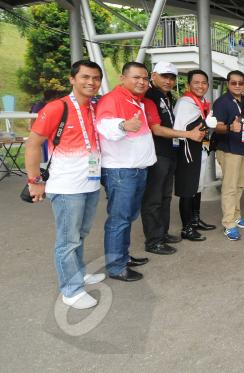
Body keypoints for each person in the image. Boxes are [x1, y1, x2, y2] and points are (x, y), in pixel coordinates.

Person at [24, 60, 105, 309]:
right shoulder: (57, 108)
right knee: (67, 240)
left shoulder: (93, 108)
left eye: (95, 78)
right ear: (72, 79)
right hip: (66, 187)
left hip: (90, 183)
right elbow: (33, 144)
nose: (91, 82)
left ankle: (78, 273)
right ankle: (71, 290)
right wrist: (34, 181)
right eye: (85, 77)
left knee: (80, 234)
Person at [96, 61, 159, 282]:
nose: (142, 82)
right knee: (119, 219)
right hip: (121, 171)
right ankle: (116, 267)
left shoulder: (136, 101)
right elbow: (103, 125)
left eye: (144, 78)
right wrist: (123, 126)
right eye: (136, 77)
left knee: (128, 217)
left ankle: (123, 256)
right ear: (123, 78)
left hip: (137, 169)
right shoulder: (112, 99)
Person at [140, 62, 204, 255]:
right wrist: (187, 134)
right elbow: (156, 128)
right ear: (154, 76)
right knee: (153, 199)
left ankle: (163, 234)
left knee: (165, 197)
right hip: (156, 154)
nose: (168, 81)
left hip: (169, 153)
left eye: (172, 77)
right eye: (164, 76)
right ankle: (153, 241)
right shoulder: (150, 97)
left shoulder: (166, 97)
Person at [173, 70, 215, 242]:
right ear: (189, 85)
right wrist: (205, 123)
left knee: (197, 187)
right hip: (187, 149)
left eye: (204, 82)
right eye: (196, 82)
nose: (200, 85)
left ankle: (195, 220)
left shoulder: (201, 102)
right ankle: (187, 227)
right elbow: (180, 129)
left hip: (200, 149)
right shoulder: (185, 102)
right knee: (188, 189)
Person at [212, 70, 244, 241]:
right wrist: (230, 128)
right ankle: (229, 224)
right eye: (233, 83)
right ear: (228, 84)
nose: (237, 86)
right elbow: (216, 126)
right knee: (229, 188)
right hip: (229, 150)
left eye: (240, 83)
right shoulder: (222, 102)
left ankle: (236, 215)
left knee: (240, 185)